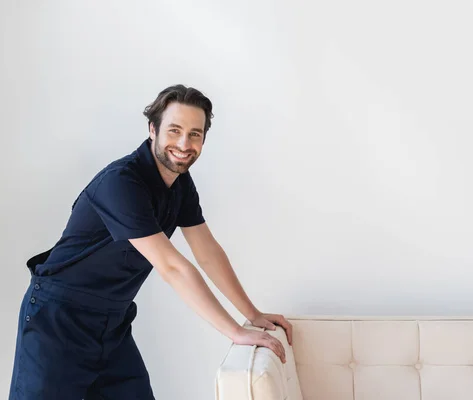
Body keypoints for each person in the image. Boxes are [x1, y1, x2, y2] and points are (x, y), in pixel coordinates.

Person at [9, 84, 292, 400]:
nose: (184, 144)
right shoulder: (121, 183)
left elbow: (208, 252)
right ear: (152, 129)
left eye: (195, 134)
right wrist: (235, 331)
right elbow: (172, 267)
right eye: (175, 130)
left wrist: (252, 314)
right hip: (57, 322)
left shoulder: (180, 184)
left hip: (112, 325)